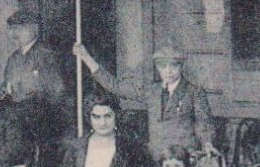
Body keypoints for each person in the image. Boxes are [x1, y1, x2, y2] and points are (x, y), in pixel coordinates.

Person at [73, 42, 215, 159]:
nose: (168, 71)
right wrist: (86, 57)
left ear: (181, 66)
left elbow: (204, 122)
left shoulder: (195, 92)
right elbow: (116, 87)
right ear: (158, 68)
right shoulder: (151, 91)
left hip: (183, 158)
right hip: (155, 157)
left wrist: (207, 143)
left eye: (173, 65)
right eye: (163, 66)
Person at [0, 15, 67, 138]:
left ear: (34, 29)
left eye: (19, 29)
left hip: (41, 121)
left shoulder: (46, 55)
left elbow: (57, 91)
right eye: (12, 29)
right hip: (18, 121)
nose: (14, 34)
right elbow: (6, 88)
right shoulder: (13, 58)